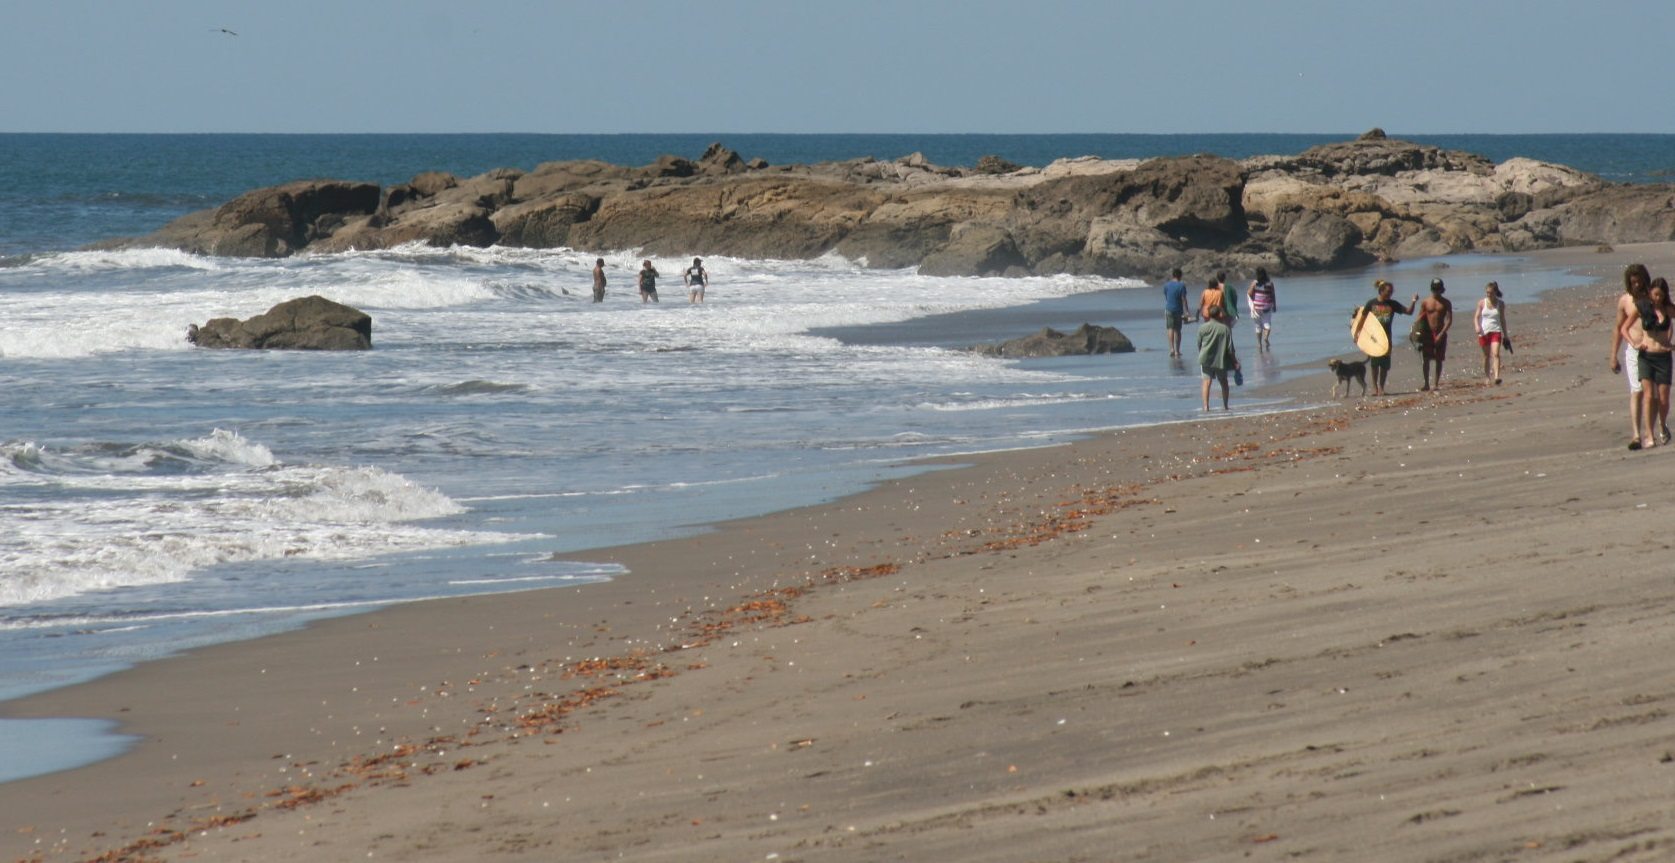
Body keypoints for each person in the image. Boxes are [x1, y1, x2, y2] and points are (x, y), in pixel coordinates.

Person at [1623, 277, 1675, 449]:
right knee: (1648, 396)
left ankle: (1662, 424)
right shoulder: (1643, 307)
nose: (1657, 298)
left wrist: (1671, 344)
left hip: (1663, 358)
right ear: (1650, 293)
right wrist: (1635, 343)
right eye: (1655, 295)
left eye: (1660, 295)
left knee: (1664, 399)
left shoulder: (1668, 309)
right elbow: (1624, 328)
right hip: (1646, 357)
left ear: (1665, 295)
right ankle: (1649, 436)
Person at [1353, 279, 1418, 396]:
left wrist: (1413, 301)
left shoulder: (1393, 304)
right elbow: (1361, 320)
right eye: (1388, 291)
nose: (1390, 294)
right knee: (1374, 364)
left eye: (1391, 292)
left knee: (1384, 365)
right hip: (1373, 339)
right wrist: (1357, 334)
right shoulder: (1371, 303)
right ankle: (1375, 389)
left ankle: (1381, 388)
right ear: (1381, 291)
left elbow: (1409, 312)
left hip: (1387, 338)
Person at [1611, 263, 1651, 449]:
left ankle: (1652, 430)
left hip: (1653, 350)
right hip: (1633, 350)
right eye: (1632, 282)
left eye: (1638, 281)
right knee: (1637, 391)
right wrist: (1613, 356)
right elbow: (1618, 329)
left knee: (1654, 394)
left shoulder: (1653, 297)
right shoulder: (1625, 301)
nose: (1636, 285)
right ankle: (1636, 434)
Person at [1197, 305, 1240, 411]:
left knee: (1206, 382)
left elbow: (1199, 344)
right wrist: (1235, 362)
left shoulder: (1202, 328)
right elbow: (1230, 348)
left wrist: (1201, 353)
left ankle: (1206, 406)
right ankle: (1225, 405)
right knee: (1224, 382)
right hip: (1220, 359)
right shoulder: (1224, 329)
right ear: (1218, 315)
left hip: (1206, 358)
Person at [1415, 277, 1454, 391]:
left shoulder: (1446, 302)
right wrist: (1417, 333)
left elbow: (1449, 320)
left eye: (1438, 289)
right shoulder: (1426, 302)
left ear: (1442, 290)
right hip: (1427, 333)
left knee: (1439, 359)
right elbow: (1419, 318)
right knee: (1426, 359)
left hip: (1440, 331)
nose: (1436, 291)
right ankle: (1426, 383)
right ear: (1431, 289)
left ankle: (1436, 383)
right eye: (1434, 289)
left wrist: (1441, 334)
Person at [1474, 281, 1509, 385]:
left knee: (1496, 354)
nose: (1488, 294)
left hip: (1496, 331)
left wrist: (1506, 335)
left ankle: (1497, 376)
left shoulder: (1500, 304)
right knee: (1486, 356)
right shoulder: (1481, 303)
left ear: (1495, 292)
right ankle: (1487, 377)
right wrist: (1477, 326)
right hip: (1484, 332)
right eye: (1487, 292)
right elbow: (1476, 317)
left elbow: (1502, 319)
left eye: (1490, 292)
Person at [1162, 267, 1190, 357]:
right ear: (1180, 276)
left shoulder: (1166, 285)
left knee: (1170, 328)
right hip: (1178, 310)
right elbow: (1183, 299)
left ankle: (1171, 349)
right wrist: (1187, 311)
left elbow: (1166, 296)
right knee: (1177, 330)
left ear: (1173, 275)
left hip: (1169, 309)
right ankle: (1177, 351)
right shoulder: (1181, 285)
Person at [1247, 267, 1276, 350]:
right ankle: (1266, 338)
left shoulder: (1255, 283)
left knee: (1258, 326)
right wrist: (1274, 306)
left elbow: (1249, 293)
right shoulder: (1270, 283)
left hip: (1256, 307)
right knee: (1267, 325)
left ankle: (1259, 344)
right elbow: (1273, 295)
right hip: (1267, 306)